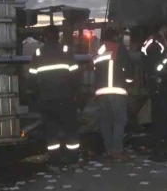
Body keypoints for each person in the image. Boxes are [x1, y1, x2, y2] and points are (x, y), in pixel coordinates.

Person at [28, 25, 81, 163]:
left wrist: (37, 93)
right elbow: (76, 75)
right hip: (66, 97)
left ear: (44, 37)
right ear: (58, 36)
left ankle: (55, 159)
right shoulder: (66, 51)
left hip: (47, 98)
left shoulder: (38, 53)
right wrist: (75, 92)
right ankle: (72, 158)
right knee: (71, 128)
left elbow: (32, 78)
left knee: (51, 130)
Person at [93, 28, 133, 160]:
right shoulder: (119, 48)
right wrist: (129, 82)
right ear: (116, 37)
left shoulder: (98, 51)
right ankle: (117, 151)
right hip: (117, 90)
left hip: (101, 92)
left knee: (106, 122)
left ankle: (109, 150)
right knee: (119, 121)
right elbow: (129, 69)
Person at [141, 23, 167, 161]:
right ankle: (160, 151)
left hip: (161, 85)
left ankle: (165, 148)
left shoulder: (154, 43)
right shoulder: (155, 45)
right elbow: (158, 68)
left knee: (166, 116)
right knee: (161, 118)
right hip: (159, 86)